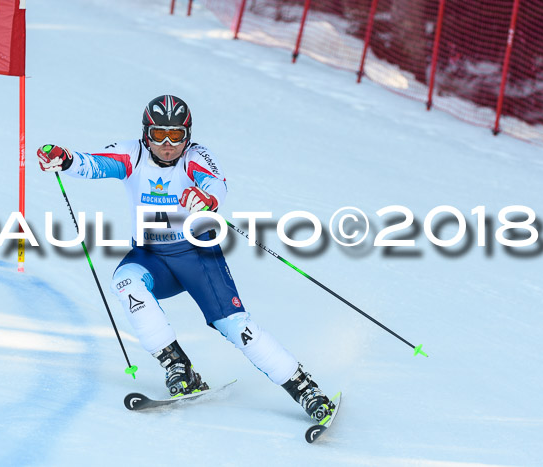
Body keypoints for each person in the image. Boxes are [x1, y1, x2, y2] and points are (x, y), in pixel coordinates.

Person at [37, 95, 335, 422]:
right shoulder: (131, 153)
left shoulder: (196, 156)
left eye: (176, 136)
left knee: (235, 326)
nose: (167, 144)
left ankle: (305, 389)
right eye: (159, 135)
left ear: (187, 135)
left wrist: (206, 198)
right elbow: (94, 163)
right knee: (125, 282)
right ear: (145, 134)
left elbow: (215, 183)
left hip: (196, 257)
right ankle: (178, 365)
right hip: (151, 257)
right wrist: (65, 159)